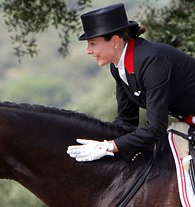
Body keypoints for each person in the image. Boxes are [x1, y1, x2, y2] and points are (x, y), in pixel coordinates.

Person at [67, 3, 195, 162]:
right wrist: (99, 141)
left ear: (115, 41)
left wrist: (109, 146)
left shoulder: (152, 62)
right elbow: (127, 120)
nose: (88, 50)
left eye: (92, 43)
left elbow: (156, 129)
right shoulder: (117, 67)